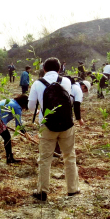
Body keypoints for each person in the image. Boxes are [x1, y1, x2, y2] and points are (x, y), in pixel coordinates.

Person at [28, 57, 79, 202]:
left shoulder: (38, 83)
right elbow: (70, 101)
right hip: (66, 124)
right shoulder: (67, 82)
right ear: (59, 69)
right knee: (69, 156)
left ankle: (42, 192)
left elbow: (31, 107)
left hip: (47, 125)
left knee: (44, 158)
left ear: (43, 69)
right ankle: (72, 189)